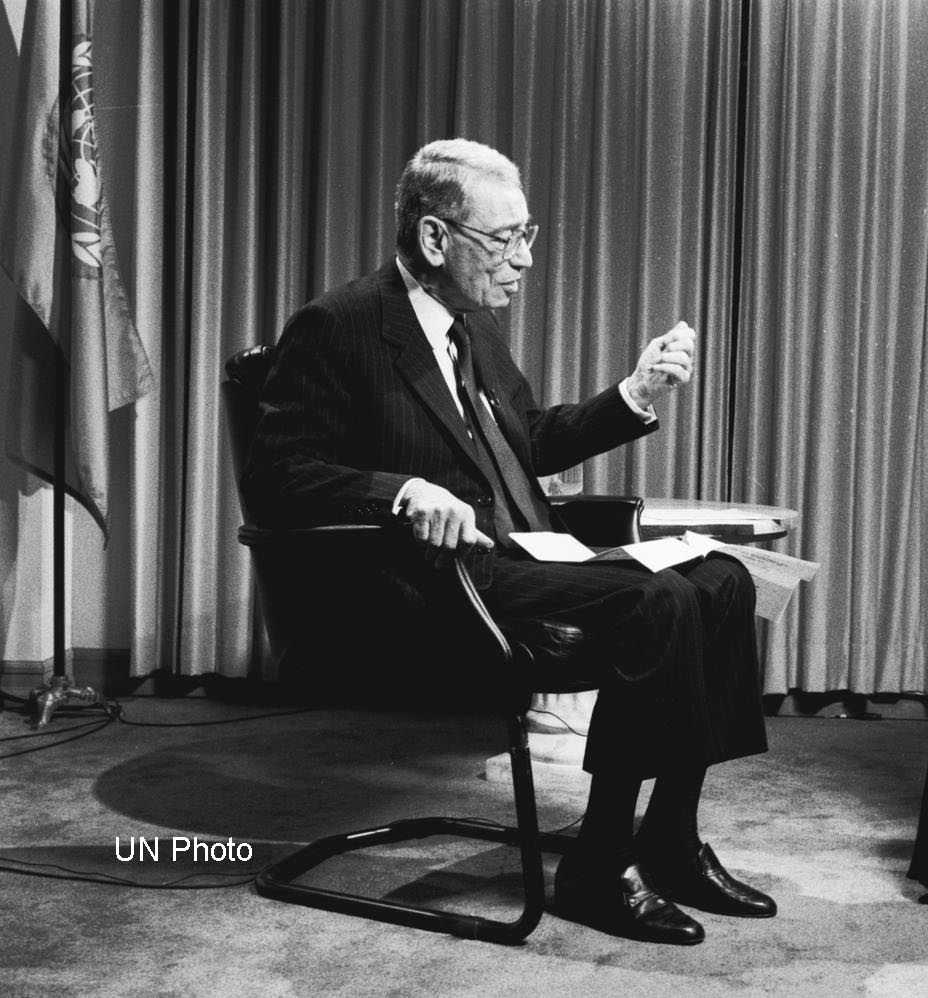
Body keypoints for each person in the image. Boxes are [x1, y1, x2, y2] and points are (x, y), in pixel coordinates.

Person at [244, 139, 773, 946]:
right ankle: (598, 864)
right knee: (657, 597)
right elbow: (279, 472)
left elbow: (521, 438)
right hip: (428, 583)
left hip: (520, 560)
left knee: (724, 579)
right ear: (434, 238)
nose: (525, 259)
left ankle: (668, 836)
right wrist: (400, 491)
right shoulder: (338, 326)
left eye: (530, 235)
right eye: (506, 239)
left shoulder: (473, 326)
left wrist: (633, 393)